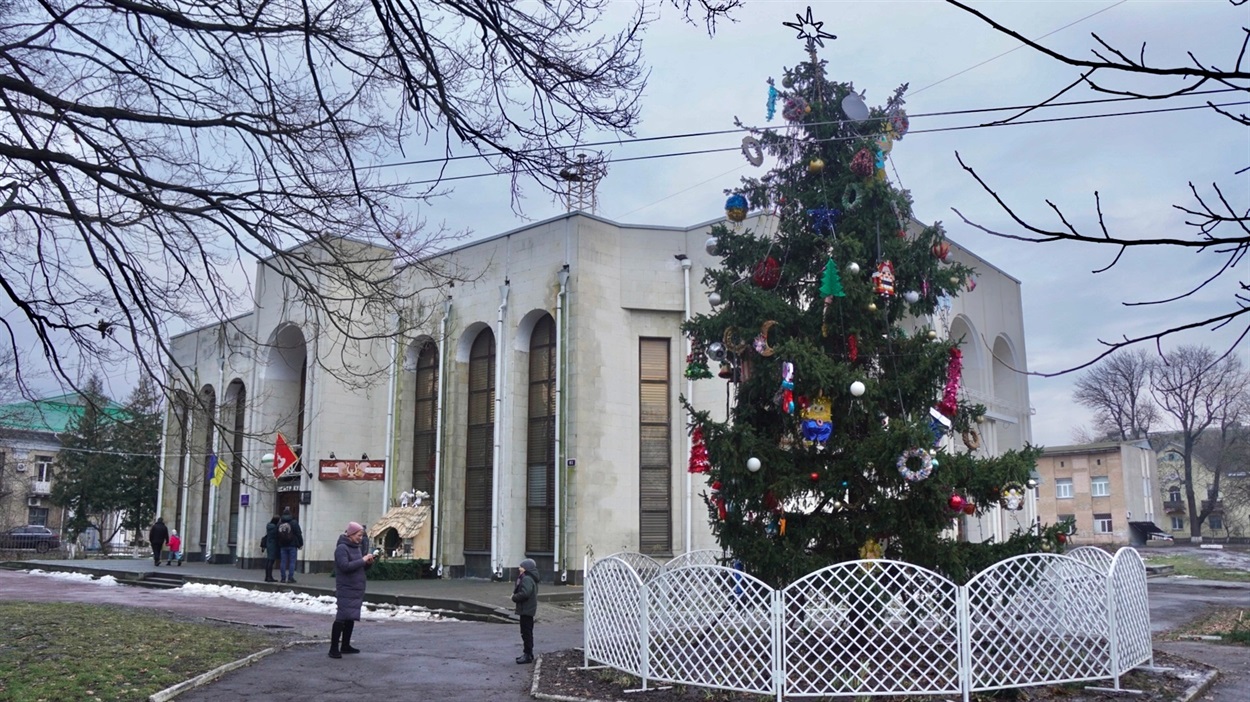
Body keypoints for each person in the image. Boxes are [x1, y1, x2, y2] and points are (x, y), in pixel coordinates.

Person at [329, 521, 375, 659]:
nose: (360, 538)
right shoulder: (342, 548)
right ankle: (333, 648)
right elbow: (344, 566)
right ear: (351, 534)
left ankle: (346, 645)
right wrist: (362, 560)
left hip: (356, 587)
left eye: (362, 535)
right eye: (358, 535)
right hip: (346, 587)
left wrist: (368, 564)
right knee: (342, 617)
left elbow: (358, 566)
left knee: (351, 616)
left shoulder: (356, 547)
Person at [511, 558, 539, 664]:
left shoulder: (527, 579)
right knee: (527, 632)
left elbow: (525, 593)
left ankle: (527, 654)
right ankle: (528, 653)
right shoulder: (530, 578)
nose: (519, 568)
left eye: (521, 566)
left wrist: (515, 597)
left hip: (526, 609)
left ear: (526, 568)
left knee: (526, 632)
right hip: (528, 609)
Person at [277, 507, 304, 584]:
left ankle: (283, 578)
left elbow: (277, 534)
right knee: (292, 562)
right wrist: (300, 543)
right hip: (292, 545)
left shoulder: (280, 523)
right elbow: (299, 533)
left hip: (283, 545)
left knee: (283, 561)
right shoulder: (294, 522)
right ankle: (290, 578)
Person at [263, 515, 280, 582]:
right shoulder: (274, 528)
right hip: (272, 545)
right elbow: (276, 536)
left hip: (269, 544)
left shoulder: (269, 526)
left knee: (268, 561)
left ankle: (267, 576)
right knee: (271, 561)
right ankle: (269, 577)